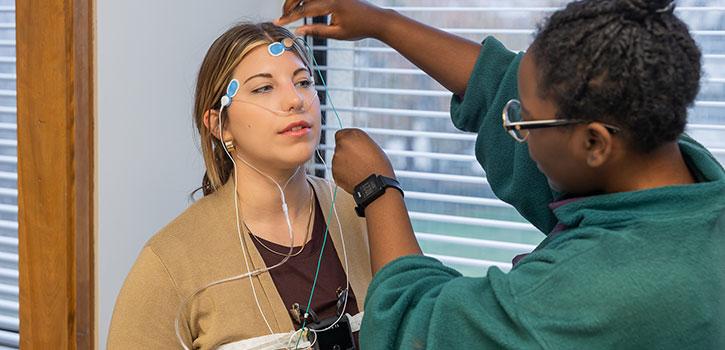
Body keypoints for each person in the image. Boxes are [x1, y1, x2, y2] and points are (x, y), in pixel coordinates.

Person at [277, 0, 725, 348]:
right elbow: (501, 83)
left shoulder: (597, 292)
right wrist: (383, 23)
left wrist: (378, 189)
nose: (518, 133)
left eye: (524, 121)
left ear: (595, 144)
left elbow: (414, 328)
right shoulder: (672, 164)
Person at [107, 22, 372, 349]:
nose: (294, 100)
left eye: (303, 82)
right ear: (220, 124)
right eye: (263, 88)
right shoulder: (168, 263)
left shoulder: (364, 212)